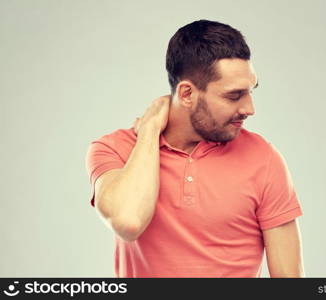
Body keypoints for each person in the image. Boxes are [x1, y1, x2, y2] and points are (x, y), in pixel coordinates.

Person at [85, 19, 304, 278]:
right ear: (187, 94)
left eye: (250, 92)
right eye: (234, 95)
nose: (249, 109)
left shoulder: (264, 158)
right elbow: (128, 222)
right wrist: (150, 131)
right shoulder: (114, 149)